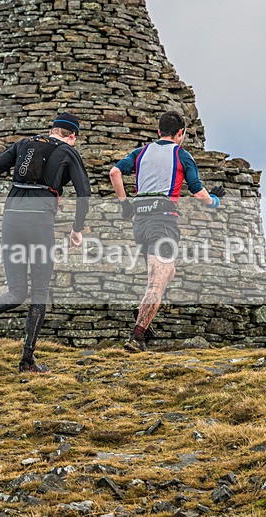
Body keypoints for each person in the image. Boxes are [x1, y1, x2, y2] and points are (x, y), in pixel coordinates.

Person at [0, 112, 92, 372]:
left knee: (16, 291)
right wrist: (76, 229)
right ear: (72, 136)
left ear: (52, 129)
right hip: (39, 224)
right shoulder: (68, 152)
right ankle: (27, 360)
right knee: (39, 294)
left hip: (11, 221)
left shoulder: (24, 144)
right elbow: (84, 194)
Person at [109, 110, 225, 353]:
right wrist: (214, 200)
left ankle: (143, 314)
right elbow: (198, 193)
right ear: (180, 132)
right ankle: (137, 337)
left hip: (140, 223)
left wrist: (124, 204)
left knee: (167, 272)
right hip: (163, 222)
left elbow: (115, 172)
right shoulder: (181, 155)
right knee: (156, 283)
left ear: (158, 131)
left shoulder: (141, 152)